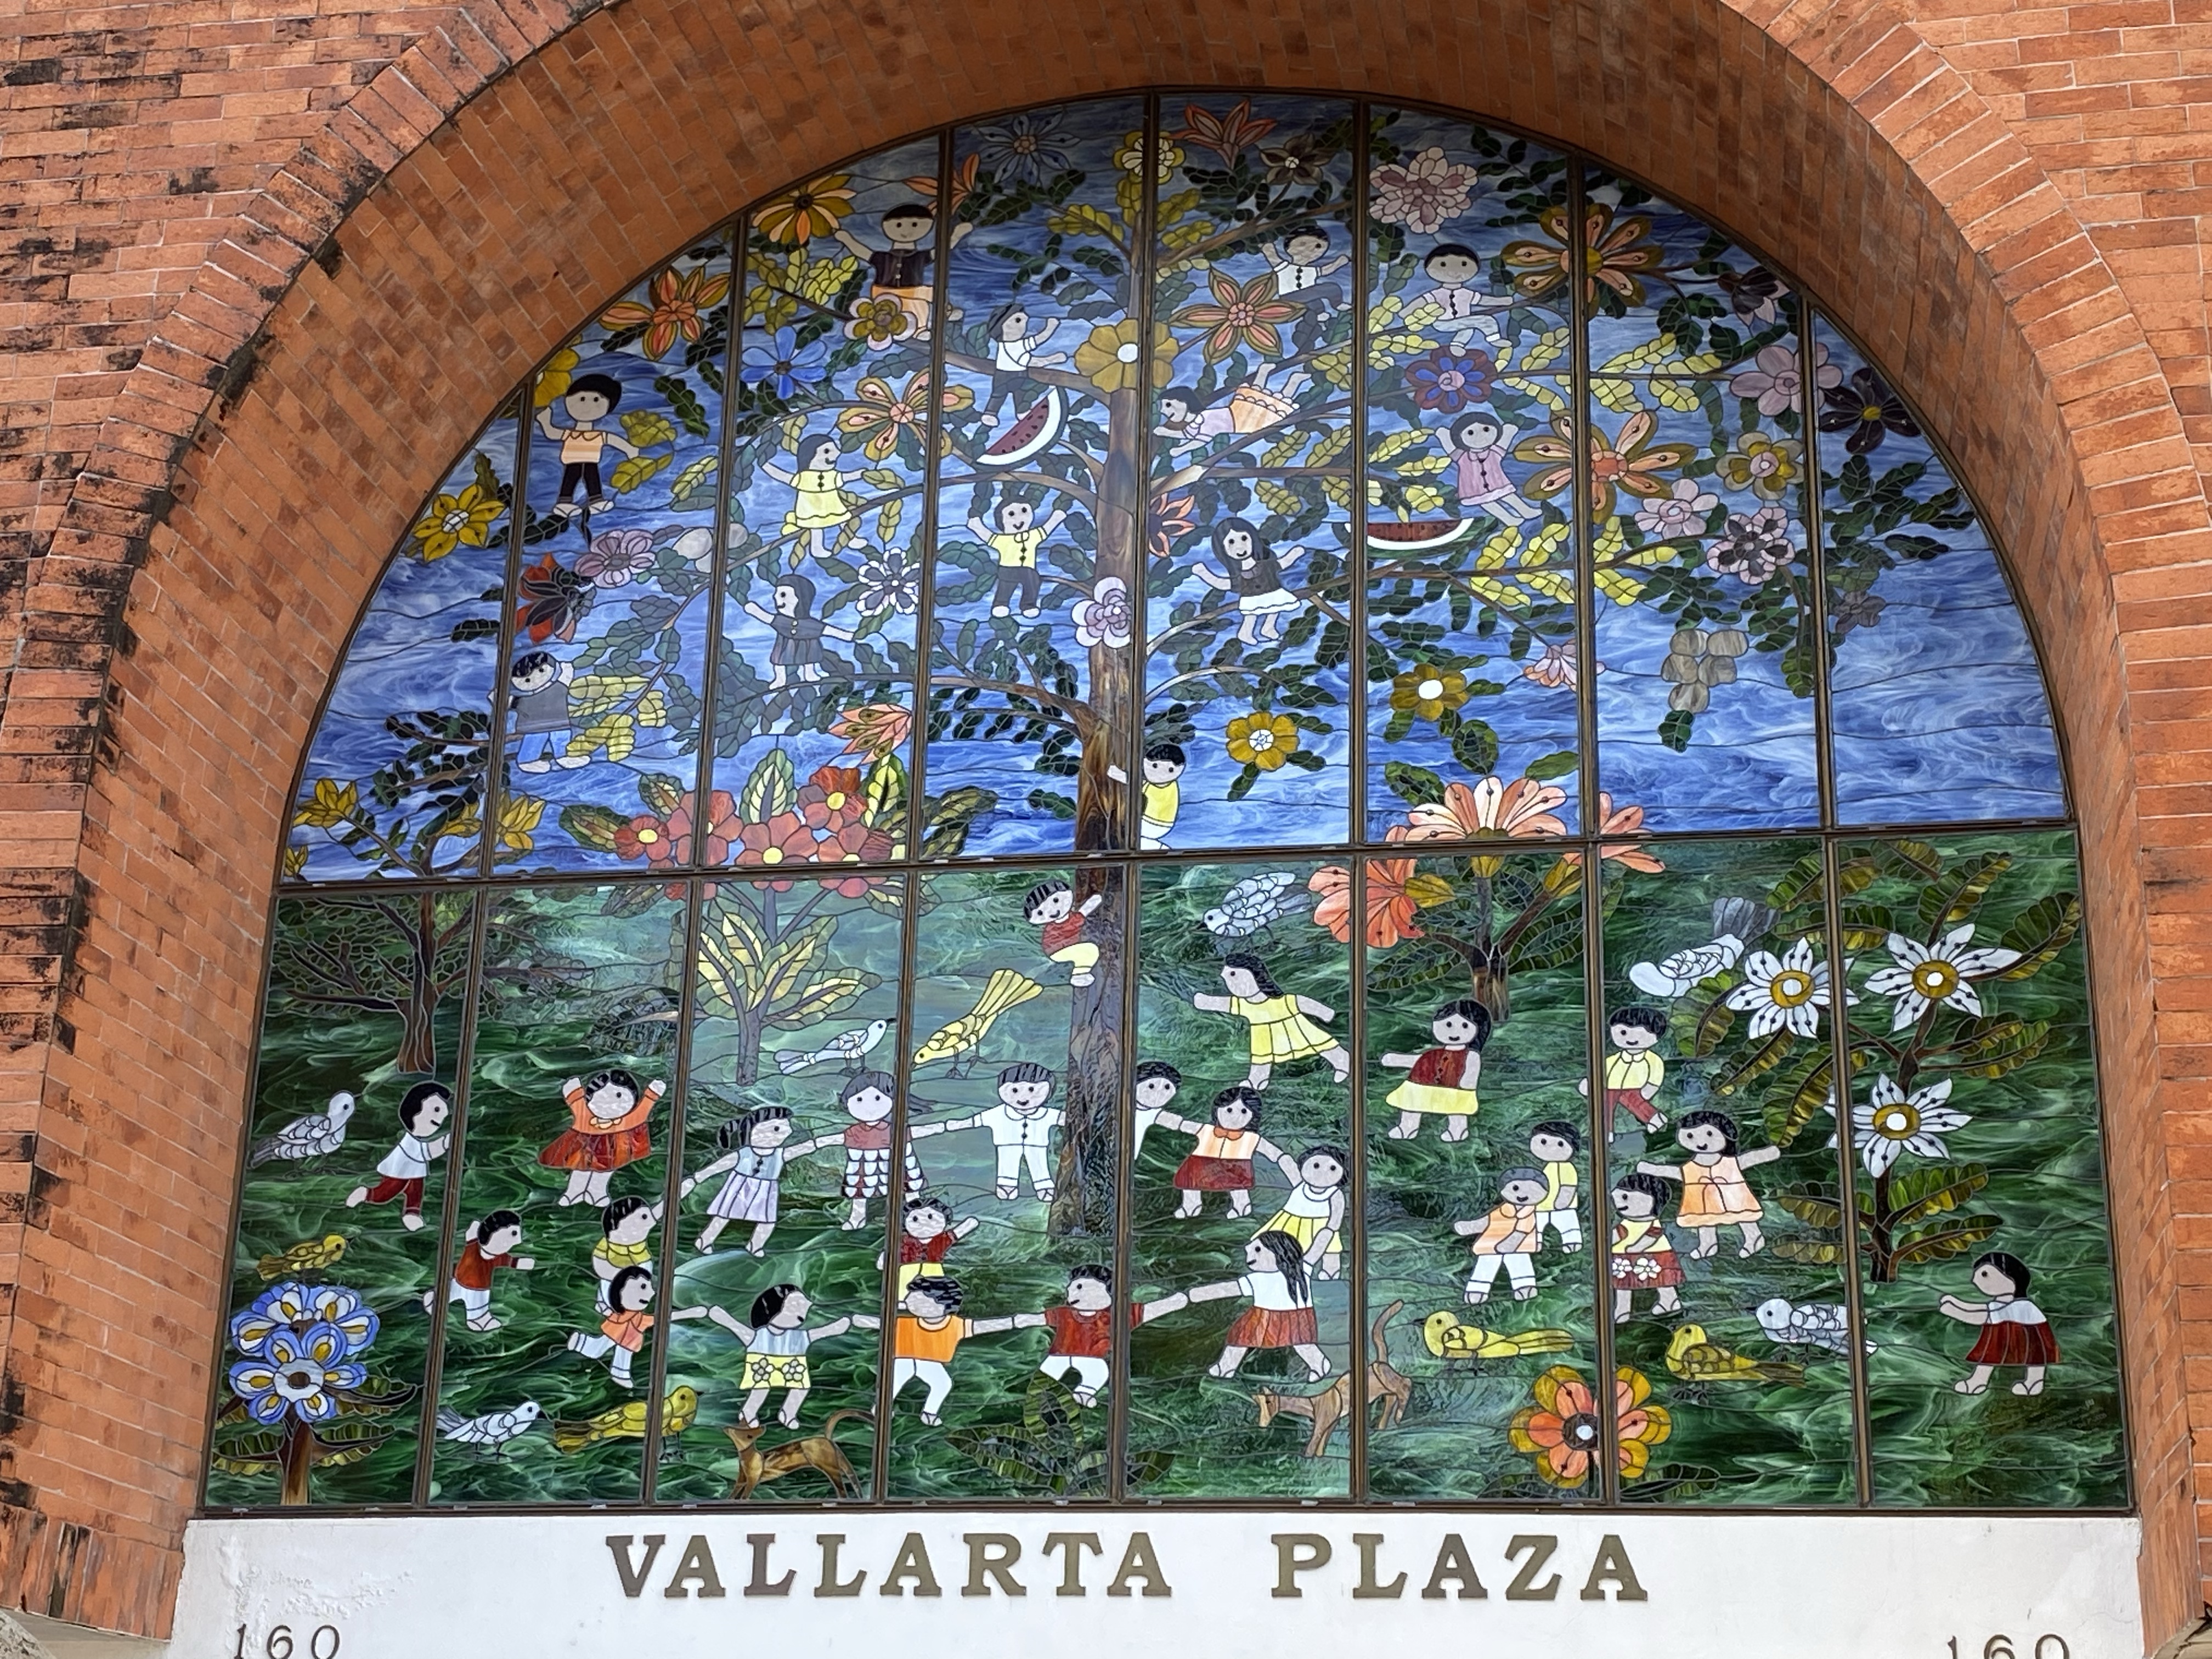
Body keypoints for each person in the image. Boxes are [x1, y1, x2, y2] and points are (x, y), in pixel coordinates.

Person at [707, 1285, 878, 1428]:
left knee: (801, 1388)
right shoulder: (759, 1336)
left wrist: (838, 1327)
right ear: (773, 1310)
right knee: (761, 1389)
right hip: (764, 1366)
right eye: (794, 1306)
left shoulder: (799, 1337)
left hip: (792, 1368)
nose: (801, 1312)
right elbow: (736, 1327)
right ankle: (749, 1412)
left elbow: (820, 1333)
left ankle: (788, 1413)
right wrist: (722, 1317)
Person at [782, 1070, 923, 1231]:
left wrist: (945, 1126)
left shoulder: (895, 1130)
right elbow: (828, 1140)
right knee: (860, 1194)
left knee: (909, 1188)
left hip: (897, 1165)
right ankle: (857, 1219)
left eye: (877, 1098)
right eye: (859, 1100)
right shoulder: (854, 1132)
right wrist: (799, 1150)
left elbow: (917, 1131)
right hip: (863, 1167)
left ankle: (917, 1217)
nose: (869, 1107)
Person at [1032, 1265, 1187, 1407]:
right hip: (1059, 1356)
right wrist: (1018, 1321)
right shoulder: (1064, 1314)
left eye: (1080, 1287)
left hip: (1092, 1359)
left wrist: (1175, 1302)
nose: (1072, 1293)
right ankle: (1038, 1397)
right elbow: (1039, 1319)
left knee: (1099, 1373)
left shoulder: (1115, 1317)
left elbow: (1148, 1311)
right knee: (1047, 1375)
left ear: (1107, 1290)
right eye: (1070, 1289)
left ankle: (1083, 1393)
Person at [1192, 951, 1351, 1088]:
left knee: (1319, 1043)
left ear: (1255, 974)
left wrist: (1324, 1013)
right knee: (1261, 1058)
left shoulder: (1283, 1001)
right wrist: (1205, 1001)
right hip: (1264, 1037)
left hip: (1296, 1029)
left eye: (1233, 975)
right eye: (1226, 978)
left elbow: (1301, 1002)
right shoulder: (1244, 1005)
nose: (1231, 984)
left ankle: (1341, 1059)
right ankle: (1257, 1080)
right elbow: (1222, 1004)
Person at [1186, 1232, 1330, 1381]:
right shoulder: (1256, 1279)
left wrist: (1332, 1225)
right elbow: (1225, 1289)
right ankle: (1226, 1366)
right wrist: (1191, 1296)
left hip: (1295, 1317)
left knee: (1303, 1344)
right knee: (1239, 1337)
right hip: (1262, 1317)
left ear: (1279, 1249)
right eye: (1249, 1251)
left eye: (1258, 1250)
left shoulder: (1302, 1269)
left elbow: (1319, 1245)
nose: (1250, 1257)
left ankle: (1319, 1365)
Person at [1637, 1108, 1780, 1259]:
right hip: (1703, 1201)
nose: (1701, 1142)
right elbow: (1675, 1173)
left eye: (1709, 1134)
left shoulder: (1729, 1162)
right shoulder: (1690, 1167)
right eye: (1690, 1136)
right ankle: (1708, 1244)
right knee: (1704, 1219)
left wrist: (1767, 1154)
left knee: (1744, 1215)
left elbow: (1747, 1159)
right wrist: (1652, 1169)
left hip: (1733, 1196)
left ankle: (1754, 1238)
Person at [913, 1061, 1063, 1202]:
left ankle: (1044, 1187)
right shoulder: (998, 1113)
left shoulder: (1047, 1114)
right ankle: (1007, 1187)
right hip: (1006, 1145)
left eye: (1031, 1090)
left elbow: (1064, 1118)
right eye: (1015, 1090)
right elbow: (974, 1121)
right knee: (1007, 1164)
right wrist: (952, 1125)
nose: (1023, 1097)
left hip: (1037, 1145)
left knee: (1039, 1164)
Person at [889, 1275, 1025, 1425]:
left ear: (942, 1305)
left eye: (918, 1300)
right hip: (904, 1358)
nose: (908, 1301)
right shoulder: (904, 1322)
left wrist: (1016, 1321)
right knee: (897, 1379)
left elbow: (983, 1326)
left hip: (929, 1361)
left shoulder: (956, 1326)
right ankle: (882, 1408)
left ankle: (929, 1413)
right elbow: (878, 1323)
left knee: (943, 1384)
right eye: (910, 1298)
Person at [1155, 1084, 1296, 1218]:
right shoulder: (1206, 1130)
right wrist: (1158, 1116)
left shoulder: (1251, 1138)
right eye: (1229, 1110)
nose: (1234, 1117)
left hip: (1235, 1167)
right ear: (1217, 1110)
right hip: (1201, 1163)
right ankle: (1191, 1206)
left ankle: (1242, 1206)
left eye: (1243, 1111)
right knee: (1189, 1181)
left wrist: (1285, 1161)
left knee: (1238, 1186)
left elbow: (1273, 1153)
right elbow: (1182, 1125)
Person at [831, 201, 969, 338]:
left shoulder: (920, 257)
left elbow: (941, 252)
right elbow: (861, 252)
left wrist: (955, 236)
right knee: (921, 304)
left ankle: (945, 313)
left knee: (937, 292)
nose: (906, 231)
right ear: (885, 227)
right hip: (884, 290)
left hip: (912, 289)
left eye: (914, 225)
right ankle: (919, 331)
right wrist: (847, 239)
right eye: (898, 225)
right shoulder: (882, 257)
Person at [538, 1067, 666, 1208]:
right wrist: (574, 1091)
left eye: (618, 1095)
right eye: (602, 1096)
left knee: (605, 1173)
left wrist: (652, 1093)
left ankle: (597, 1194)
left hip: (615, 1150)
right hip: (585, 1148)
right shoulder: (585, 1118)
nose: (610, 1103)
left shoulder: (627, 1121)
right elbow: (577, 1103)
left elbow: (642, 1112)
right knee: (580, 1169)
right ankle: (574, 1193)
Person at [1939, 1251, 2058, 1397]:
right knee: (1992, 1352)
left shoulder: (2019, 1306)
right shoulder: (2002, 1302)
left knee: (2033, 1357)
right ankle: (1980, 1381)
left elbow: (1983, 1317)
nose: (1974, 1280)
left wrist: (1954, 1312)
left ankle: (2033, 1383)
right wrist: (1956, 1302)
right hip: (2008, 1333)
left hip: (2028, 1334)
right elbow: (1983, 1308)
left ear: (2010, 1276)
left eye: (1984, 1275)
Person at [566, 1265, 706, 1389]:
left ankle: (614, 1368)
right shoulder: (626, 1315)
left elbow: (662, 1318)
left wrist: (687, 1313)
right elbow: (661, 1318)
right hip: (622, 1331)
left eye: (650, 1288)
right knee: (604, 1347)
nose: (651, 1293)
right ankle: (584, 1344)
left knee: (618, 1352)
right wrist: (688, 1313)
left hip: (628, 1337)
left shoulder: (638, 1318)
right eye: (643, 1287)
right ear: (620, 1290)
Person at [681, 1105, 794, 1256]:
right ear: (753, 1131)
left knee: (768, 1222)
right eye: (777, 1129)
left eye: (787, 1128)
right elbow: (720, 1165)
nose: (788, 1132)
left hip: (765, 1193)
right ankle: (705, 1240)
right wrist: (699, 1176)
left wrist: (825, 1141)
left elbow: (807, 1147)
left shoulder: (780, 1154)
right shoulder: (744, 1154)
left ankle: (756, 1246)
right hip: (740, 1188)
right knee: (723, 1216)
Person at [1378, 997, 1491, 1141]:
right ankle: (1407, 1127)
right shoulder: (1434, 1054)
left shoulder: (1471, 1055)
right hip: (1421, 1085)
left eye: (1464, 1026)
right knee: (1411, 1103)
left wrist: (1468, 1084)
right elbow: (1420, 1061)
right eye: (1448, 1024)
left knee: (1456, 1109)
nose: (1454, 1031)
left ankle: (1458, 1130)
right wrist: (1397, 1060)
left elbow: (1472, 1071)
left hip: (1454, 1088)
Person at [345, 1081, 452, 1232]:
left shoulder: (417, 1140)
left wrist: (446, 1142)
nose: (438, 1121)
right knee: (386, 1194)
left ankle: (412, 1214)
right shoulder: (411, 1141)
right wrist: (445, 1143)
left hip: (415, 1173)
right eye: (436, 1110)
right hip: (399, 1171)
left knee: (415, 1193)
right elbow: (429, 1152)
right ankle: (366, 1194)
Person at [535, 372, 639, 517]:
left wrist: (629, 449)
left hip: (591, 462)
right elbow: (552, 433)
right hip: (572, 462)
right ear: (567, 400)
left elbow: (614, 440)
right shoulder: (570, 434)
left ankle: (596, 501)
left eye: (596, 400)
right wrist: (545, 421)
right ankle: (564, 503)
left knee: (593, 480)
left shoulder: (598, 435)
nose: (587, 405)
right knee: (570, 480)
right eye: (582, 398)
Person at [1192, 516, 1308, 646]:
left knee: (1276, 606)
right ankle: (1245, 632)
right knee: (1251, 615)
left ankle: (1268, 628)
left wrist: (1294, 554)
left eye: (1244, 538)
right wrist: (1203, 573)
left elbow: (1282, 563)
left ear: (1253, 539)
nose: (1240, 547)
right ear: (1223, 549)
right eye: (1231, 542)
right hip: (1252, 597)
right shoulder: (1240, 575)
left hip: (1273, 591)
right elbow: (1223, 584)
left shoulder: (1266, 565)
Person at [1153, 366, 1314, 459]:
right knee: (1275, 406)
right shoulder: (1199, 421)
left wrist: (1180, 447)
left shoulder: (1203, 418)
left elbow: (1199, 439)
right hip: (1242, 422)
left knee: (1272, 406)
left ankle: (1272, 374)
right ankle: (1289, 378)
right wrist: (1169, 434)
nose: (1165, 412)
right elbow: (1193, 435)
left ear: (1184, 400)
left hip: (1241, 419)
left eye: (1168, 405)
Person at [760, 433, 866, 562]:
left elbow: (845, 477)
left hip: (833, 506)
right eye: (826, 451)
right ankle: (817, 549)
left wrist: (859, 474)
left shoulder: (831, 475)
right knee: (816, 528)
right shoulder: (803, 478)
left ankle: (851, 539)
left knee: (844, 521)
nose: (836, 454)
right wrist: (766, 466)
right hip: (811, 510)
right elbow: (783, 476)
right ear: (810, 456)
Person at [740, 573, 854, 688]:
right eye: (776, 594)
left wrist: (845, 635)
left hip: (807, 647)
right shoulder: (781, 621)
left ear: (801, 597)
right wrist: (755, 611)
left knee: (810, 655)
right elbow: (767, 618)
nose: (776, 598)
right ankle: (780, 679)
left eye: (783, 595)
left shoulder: (809, 624)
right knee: (779, 660)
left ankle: (810, 673)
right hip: (785, 646)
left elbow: (826, 630)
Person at [428, 1209, 535, 1331]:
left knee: (478, 1314)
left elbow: (510, 1261)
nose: (509, 1245)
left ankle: (480, 1319)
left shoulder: (498, 1257)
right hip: (458, 1282)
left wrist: (521, 1263)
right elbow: (471, 1234)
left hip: (479, 1290)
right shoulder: (473, 1247)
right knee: (444, 1295)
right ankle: (434, 1300)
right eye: (513, 1235)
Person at [966, 495, 1068, 619]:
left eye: (1024, 511)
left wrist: (1056, 518)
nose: (1019, 518)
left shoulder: (1033, 536)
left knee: (1033, 583)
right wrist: (976, 526)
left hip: (1028, 570)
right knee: (1005, 587)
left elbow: (1046, 529)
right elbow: (988, 536)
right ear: (1002, 520)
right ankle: (1001, 604)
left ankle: (1028, 605)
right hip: (1007, 569)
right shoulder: (1002, 540)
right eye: (1011, 514)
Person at [1454, 1167, 1547, 1304]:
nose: (1522, 1194)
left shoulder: (1529, 1213)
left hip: (1519, 1246)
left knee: (1519, 1263)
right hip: (1492, 1241)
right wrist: (1472, 1226)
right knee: (1486, 1263)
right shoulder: (1504, 1209)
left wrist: (1511, 1243)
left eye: (1532, 1190)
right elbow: (1489, 1220)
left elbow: (1523, 1231)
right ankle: (1477, 1290)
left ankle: (1524, 1288)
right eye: (1516, 1188)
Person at [1256, 1144, 1347, 1279]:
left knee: (1331, 1251)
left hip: (1323, 1227)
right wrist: (1263, 1146)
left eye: (1332, 1168)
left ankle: (1331, 1272)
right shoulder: (1299, 1184)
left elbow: (1336, 1218)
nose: (1322, 1173)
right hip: (1292, 1224)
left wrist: (1330, 1230)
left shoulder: (1335, 1194)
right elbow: (1285, 1161)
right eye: (1316, 1166)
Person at [1403, 242, 1513, 349]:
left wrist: (1502, 302)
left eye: (1464, 264)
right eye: (1443, 265)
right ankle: (1494, 339)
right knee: (1486, 320)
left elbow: (1483, 300)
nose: (1454, 272)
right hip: (1442, 323)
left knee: (1469, 327)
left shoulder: (1466, 294)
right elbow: (1421, 302)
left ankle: (1457, 345)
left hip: (1462, 321)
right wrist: (1406, 312)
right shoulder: (1437, 294)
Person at [1583, 1005, 1669, 1137]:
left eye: (1640, 1034)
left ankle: (1654, 1118)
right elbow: (1603, 1069)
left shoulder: (1652, 1059)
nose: (1631, 1039)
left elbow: (1656, 1075)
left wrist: (1650, 1088)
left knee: (1635, 1102)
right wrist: (1590, 1083)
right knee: (1605, 1106)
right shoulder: (1614, 1059)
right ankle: (1607, 1132)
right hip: (1611, 1087)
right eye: (1623, 1033)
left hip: (1635, 1087)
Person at [1608, 1173, 1683, 1322]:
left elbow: (1652, 1236)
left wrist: (1637, 1247)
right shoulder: (1627, 1223)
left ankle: (1670, 1301)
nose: (1619, 1203)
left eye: (1625, 1197)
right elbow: (1617, 1234)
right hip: (1624, 1259)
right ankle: (1622, 1310)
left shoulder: (1652, 1223)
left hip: (1656, 1256)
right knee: (1623, 1285)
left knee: (1663, 1281)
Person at [977, 301, 1065, 428]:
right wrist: (1051, 328)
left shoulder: (1006, 345)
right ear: (1003, 326)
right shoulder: (1017, 346)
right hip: (1012, 375)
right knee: (1005, 395)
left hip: (1006, 375)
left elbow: (1029, 356)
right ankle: (998, 413)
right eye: (1018, 320)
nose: (1025, 323)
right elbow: (1037, 346)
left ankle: (1004, 412)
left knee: (1008, 395)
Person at [1442, 411, 1537, 526]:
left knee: (1509, 496)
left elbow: (1504, 443)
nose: (1480, 436)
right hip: (1474, 488)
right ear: (1459, 438)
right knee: (1487, 504)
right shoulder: (1463, 457)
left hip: (1497, 482)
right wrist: (1444, 436)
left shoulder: (1494, 452)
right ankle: (1509, 519)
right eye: (1470, 433)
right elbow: (1451, 449)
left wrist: (1509, 432)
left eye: (1486, 430)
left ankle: (1526, 511)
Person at [878, 1193, 979, 1295]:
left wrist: (967, 1226)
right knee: (904, 1287)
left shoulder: (941, 1240)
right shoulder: (905, 1241)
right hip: (908, 1269)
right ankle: (902, 1300)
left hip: (933, 1269)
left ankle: (936, 1300)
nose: (923, 1224)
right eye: (915, 1219)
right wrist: (885, 1258)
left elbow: (955, 1234)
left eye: (930, 1217)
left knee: (936, 1289)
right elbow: (895, 1249)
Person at [507, 650, 580, 774]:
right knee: (534, 742)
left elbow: (567, 673)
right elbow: (507, 701)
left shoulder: (558, 687)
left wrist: (566, 668)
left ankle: (564, 757)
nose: (536, 680)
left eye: (541, 671)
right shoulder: (524, 700)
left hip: (560, 723)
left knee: (562, 739)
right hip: (534, 727)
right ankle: (527, 761)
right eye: (527, 680)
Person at [1024, 877, 1103, 987]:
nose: (1052, 911)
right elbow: (1081, 915)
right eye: (1041, 913)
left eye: (1056, 901)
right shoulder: (1054, 927)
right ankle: (1079, 975)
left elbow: (1082, 914)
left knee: (1089, 950)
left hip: (1064, 948)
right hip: (1057, 951)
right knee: (1090, 950)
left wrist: (1094, 901)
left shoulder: (1071, 918)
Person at [1108, 741, 1188, 849]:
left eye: (1170, 770)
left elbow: (1135, 784)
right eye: (1155, 766)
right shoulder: (1158, 783)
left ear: (1180, 770)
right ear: (1145, 761)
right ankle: (1159, 848)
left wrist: (1117, 774)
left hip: (1154, 822)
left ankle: (1160, 849)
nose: (1160, 773)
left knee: (1130, 836)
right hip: (1154, 822)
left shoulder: (1165, 786)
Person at [590, 1195, 664, 1311]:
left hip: (641, 1276)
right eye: (642, 1217)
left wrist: (687, 1187)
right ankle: (607, 1306)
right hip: (615, 1281)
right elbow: (600, 1266)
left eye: (645, 1217)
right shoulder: (607, 1244)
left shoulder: (639, 1243)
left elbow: (661, 1209)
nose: (644, 1225)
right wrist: (622, 1276)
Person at [1528, 1120, 1583, 1251]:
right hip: (1542, 1205)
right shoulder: (1549, 1166)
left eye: (1560, 1144)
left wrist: (1562, 1202)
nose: (1551, 1148)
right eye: (1543, 1142)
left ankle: (1572, 1243)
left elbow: (1569, 1186)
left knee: (1567, 1225)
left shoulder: (1567, 1167)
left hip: (1562, 1207)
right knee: (1537, 1225)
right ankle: (1535, 1243)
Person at [1130, 1059, 1182, 1159]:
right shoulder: (1122, 1104)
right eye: (1151, 1086)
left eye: (1167, 1088)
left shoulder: (1154, 1113)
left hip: (1128, 1159)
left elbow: (1178, 1123)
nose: (1158, 1093)